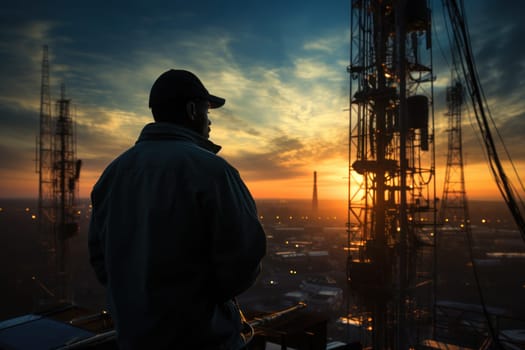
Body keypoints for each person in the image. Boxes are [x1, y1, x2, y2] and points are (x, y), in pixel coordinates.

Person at [88, 69, 266, 350]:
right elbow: (243, 262)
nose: (210, 122)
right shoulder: (213, 172)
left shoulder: (112, 175)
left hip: (135, 338)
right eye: (207, 111)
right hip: (202, 340)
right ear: (193, 110)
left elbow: (101, 261)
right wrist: (199, 299)